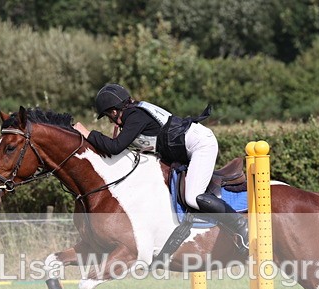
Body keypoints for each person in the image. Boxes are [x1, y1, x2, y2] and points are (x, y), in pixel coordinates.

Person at [73, 83, 248, 252]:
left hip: (200, 145)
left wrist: (87, 133)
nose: (111, 121)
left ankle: (241, 225)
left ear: (113, 111)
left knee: (192, 197)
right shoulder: (133, 114)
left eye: (108, 117)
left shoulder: (135, 116)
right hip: (187, 148)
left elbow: (114, 147)